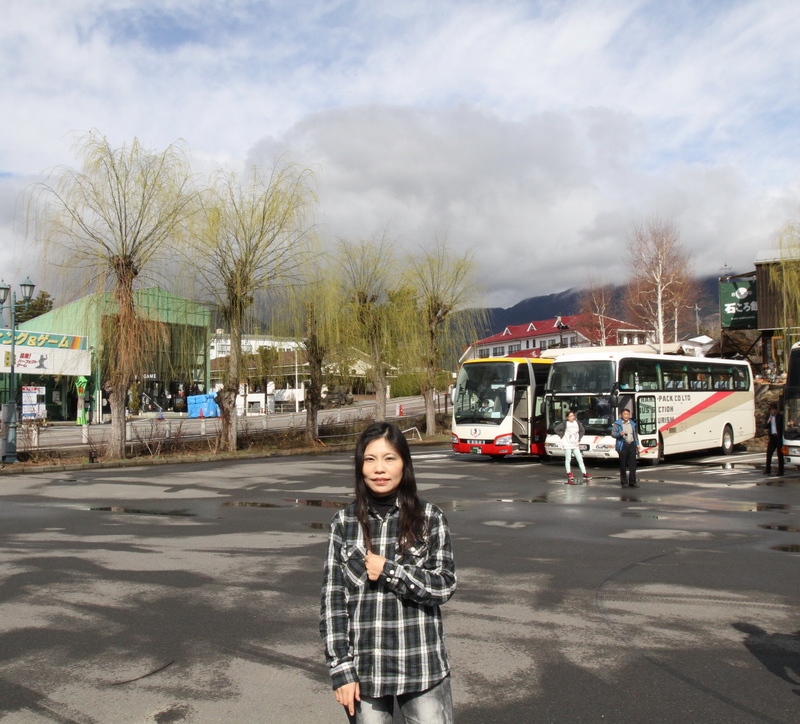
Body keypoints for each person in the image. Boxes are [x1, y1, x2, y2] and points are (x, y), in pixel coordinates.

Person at [320, 421, 457, 723]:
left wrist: (390, 571)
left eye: (389, 458)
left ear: (404, 464)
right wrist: (341, 669)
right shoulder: (344, 522)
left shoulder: (430, 518)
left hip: (421, 666)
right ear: (360, 466)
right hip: (365, 672)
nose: (379, 469)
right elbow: (333, 602)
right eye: (370, 459)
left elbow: (444, 585)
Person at [553, 411, 591, 484]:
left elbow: (582, 430)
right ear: (567, 417)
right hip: (567, 443)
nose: (572, 417)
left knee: (580, 459)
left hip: (575, 444)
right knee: (568, 459)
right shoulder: (565, 423)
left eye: (573, 415)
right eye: (570, 416)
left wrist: (579, 438)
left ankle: (584, 473)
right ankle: (569, 473)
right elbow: (556, 429)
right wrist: (562, 436)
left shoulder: (577, 423)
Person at [612, 408, 640, 488]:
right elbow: (613, 434)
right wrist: (619, 434)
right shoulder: (617, 423)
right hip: (622, 445)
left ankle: (632, 482)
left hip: (631, 445)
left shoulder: (632, 423)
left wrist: (637, 443)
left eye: (628, 414)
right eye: (625, 414)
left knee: (633, 465)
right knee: (623, 465)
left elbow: (635, 434)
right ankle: (624, 482)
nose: (626, 416)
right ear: (621, 415)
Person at [764, 402, 784, 477]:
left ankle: (781, 471)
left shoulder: (780, 416)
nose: (773, 411)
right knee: (769, 453)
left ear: (776, 410)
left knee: (780, 454)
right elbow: (765, 426)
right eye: (771, 410)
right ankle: (767, 469)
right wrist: (768, 421)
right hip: (772, 437)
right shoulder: (769, 417)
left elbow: (782, 426)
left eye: (774, 409)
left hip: (779, 437)